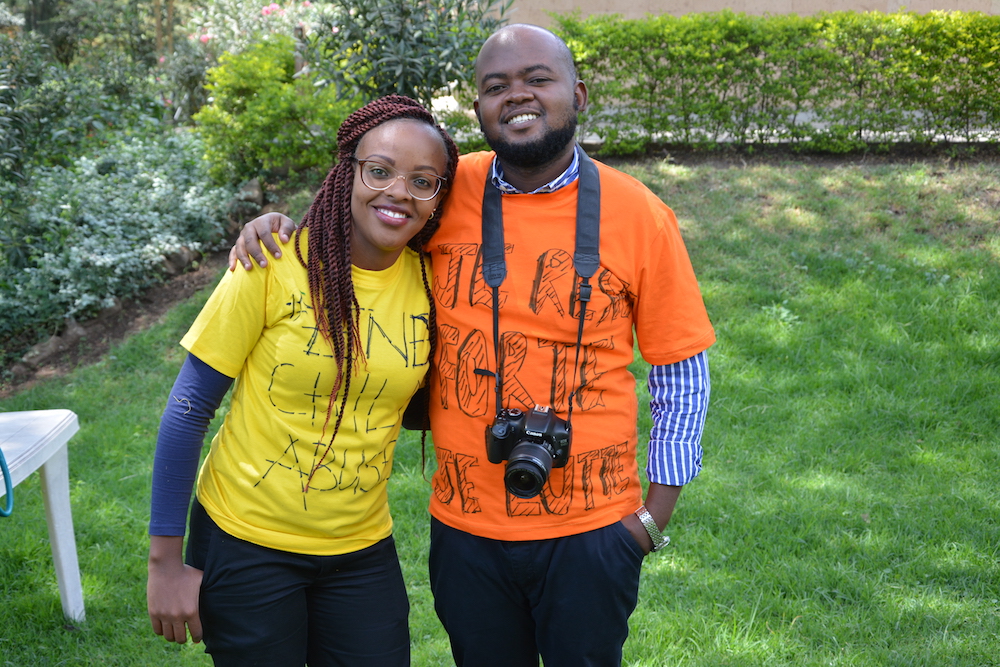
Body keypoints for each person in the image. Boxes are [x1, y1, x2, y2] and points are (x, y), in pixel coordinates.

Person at [232, 24, 715, 667]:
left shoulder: (640, 215)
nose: (518, 96)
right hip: (463, 529)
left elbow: (680, 371)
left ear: (579, 91)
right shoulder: (445, 187)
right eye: (496, 86)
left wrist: (652, 519)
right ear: (479, 107)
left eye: (537, 78)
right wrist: (280, 226)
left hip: (594, 530)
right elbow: (363, 216)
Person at [147, 94, 459, 667]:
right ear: (348, 172)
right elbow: (191, 406)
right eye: (380, 171)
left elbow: (412, 402)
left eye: (423, 181)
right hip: (246, 540)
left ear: (439, 197)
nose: (398, 193)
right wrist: (165, 563)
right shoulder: (273, 261)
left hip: (361, 548)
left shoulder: (432, 282)